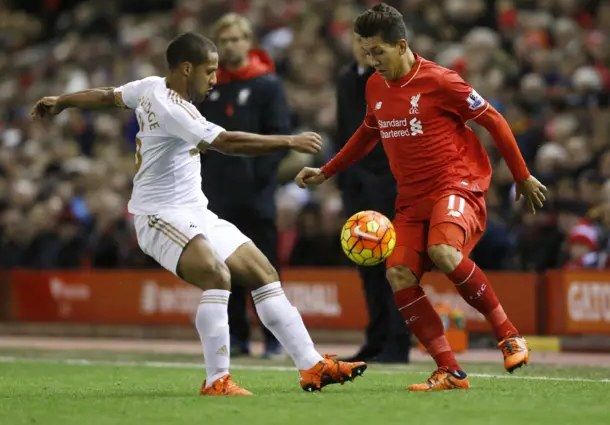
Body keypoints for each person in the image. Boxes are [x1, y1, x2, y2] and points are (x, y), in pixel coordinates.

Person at [31, 31, 366, 396]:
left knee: (263, 272)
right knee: (217, 276)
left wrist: (63, 100)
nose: (214, 79)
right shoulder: (173, 109)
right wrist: (287, 141)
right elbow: (227, 143)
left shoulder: (148, 87)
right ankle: (216, 380)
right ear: (186, 68)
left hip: (195, 211)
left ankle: (312, 366)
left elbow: (107, 96)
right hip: (158, 215)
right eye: (209, 71)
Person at [295, 4, 547, 392]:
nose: (371, 60)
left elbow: (493, 119)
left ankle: (509, 335)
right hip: (411, 199)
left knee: (444, 252)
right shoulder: (375, 86)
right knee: (397, 274)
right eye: (366, 51)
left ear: (401, 45)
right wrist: (326, 171)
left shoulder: (442, 81)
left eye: (378, 51)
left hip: (456, 185)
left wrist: (523, 176)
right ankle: (449, 369)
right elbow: (368, 132)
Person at [197, 13, 286, 359]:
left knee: (264, 269)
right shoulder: (210, 89)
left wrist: (259, 180)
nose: (231, 45)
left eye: (237, 38)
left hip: (257, 197)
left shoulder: (267, 84)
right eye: (225, 40)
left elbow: (278, 135)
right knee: (223, 271)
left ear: (248, 42)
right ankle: (237, 338)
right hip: (216, 197)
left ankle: (274, 339)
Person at [336, 35, 410, 363]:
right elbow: (344, 132)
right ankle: (377, 338)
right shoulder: (345, 79)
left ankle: (399, 341)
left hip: (389, 182)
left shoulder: (392, 79)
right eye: (358, 42)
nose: (363, 49)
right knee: (366, 263)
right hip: (356, 185)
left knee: (396, 263)